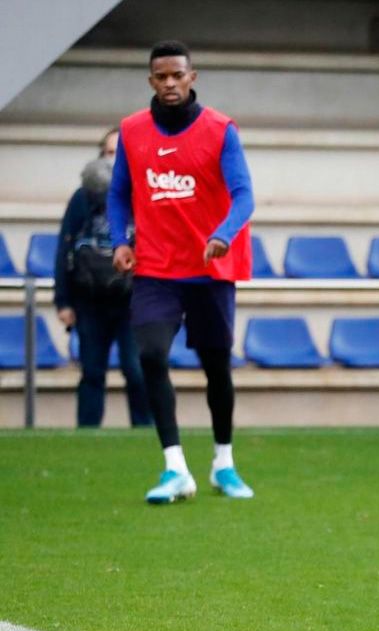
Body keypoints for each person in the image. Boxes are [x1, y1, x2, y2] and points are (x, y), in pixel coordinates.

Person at [108, 40, 256, 504]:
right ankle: (175, 467)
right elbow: (117, 194)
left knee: (217, 368)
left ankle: (223, 463)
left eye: (177, 75)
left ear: (193, 77)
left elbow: (244, 195)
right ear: (151, 80)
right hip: (156, 267)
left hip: (209, 269)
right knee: (150, 355)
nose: (169, 83)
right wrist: (118, 241)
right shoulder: (132, 131)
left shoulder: (220, 130)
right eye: (160, 76)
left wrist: (223, 234)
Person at [54, 128, 152, 428]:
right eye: (110, 153)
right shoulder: (82, 198)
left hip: (133, 301)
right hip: (89, 301)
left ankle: (145, 433)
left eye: (121, 153)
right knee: (92, 373)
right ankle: (87, 433)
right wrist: (63, 301)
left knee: (137, 370)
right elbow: (65, 248)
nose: (114, 160)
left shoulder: (146, 194)